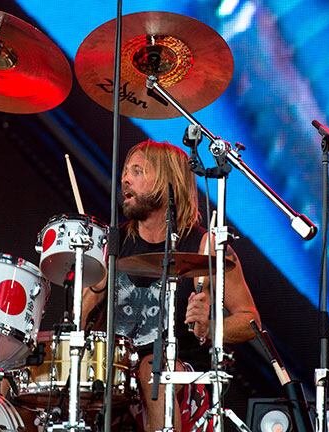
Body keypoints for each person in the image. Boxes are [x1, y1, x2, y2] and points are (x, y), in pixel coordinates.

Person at [82, 139, 260, 432]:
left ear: (168, 181)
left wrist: (209, 328)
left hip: (178, 376)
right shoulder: (110, 242)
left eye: (137, 171)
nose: (125, 179)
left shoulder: (206, 246)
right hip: (113, 373)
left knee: (153, 369)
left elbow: (250, 320)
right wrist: (94, 290)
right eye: (125, 171)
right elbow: (78, 327)